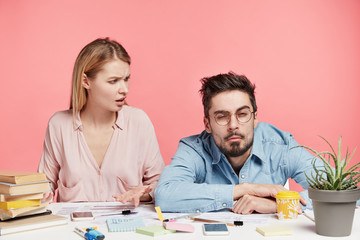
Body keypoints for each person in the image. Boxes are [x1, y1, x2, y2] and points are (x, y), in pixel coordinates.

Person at [155, 72, 322, 214]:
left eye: (242, 114)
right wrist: (246, 189)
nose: (233, 125)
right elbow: (165, 195)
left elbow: (338, 190)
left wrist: (280, 205)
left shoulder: (281, 146)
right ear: (207, 124)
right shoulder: (194, 149)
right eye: (222, 116)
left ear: (255, 118)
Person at [38, 38, 164, 205]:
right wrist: (37, 195)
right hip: (74, 228)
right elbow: (43, 184)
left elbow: (162, 184)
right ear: (85, 81)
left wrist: (142, 194)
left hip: (127, 226)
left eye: (126, 79)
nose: (124, 89)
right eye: (113, 81)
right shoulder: (59, 125)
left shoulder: (139, 121)